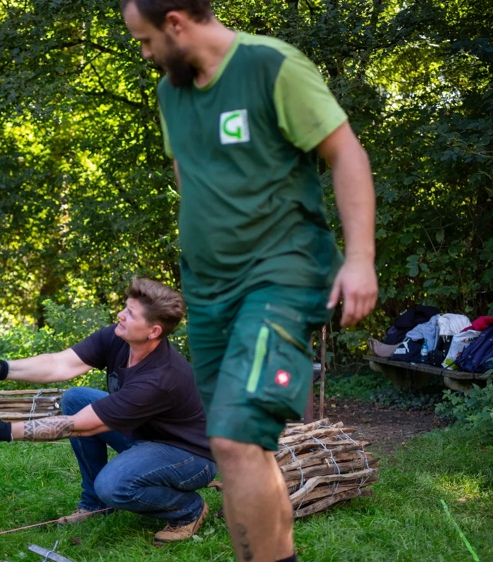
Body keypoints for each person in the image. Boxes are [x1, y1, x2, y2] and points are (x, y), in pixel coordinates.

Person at [120, 2, 379, 561]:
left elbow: (346, 153)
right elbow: (189, 175)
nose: (144, 54)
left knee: (238, 438)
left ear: (174, 23)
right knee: (235, 447)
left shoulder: (270, 66)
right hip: (209, 294)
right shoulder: (173, 92)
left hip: (280, 277)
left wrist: (360, 258)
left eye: (144, 40)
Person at [0, 277, 217, 545]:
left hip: (190, 456)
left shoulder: (158, 379)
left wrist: (6, 431)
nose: (120, 315)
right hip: (146, 435)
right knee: (76, 397)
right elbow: (60, 364)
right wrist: (3, 369)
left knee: (113, 485)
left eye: (130, 314)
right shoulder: (118, 338)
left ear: (153, 331)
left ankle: (188, 510)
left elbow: (79, 425)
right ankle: (95, 505)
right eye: (125, 307)